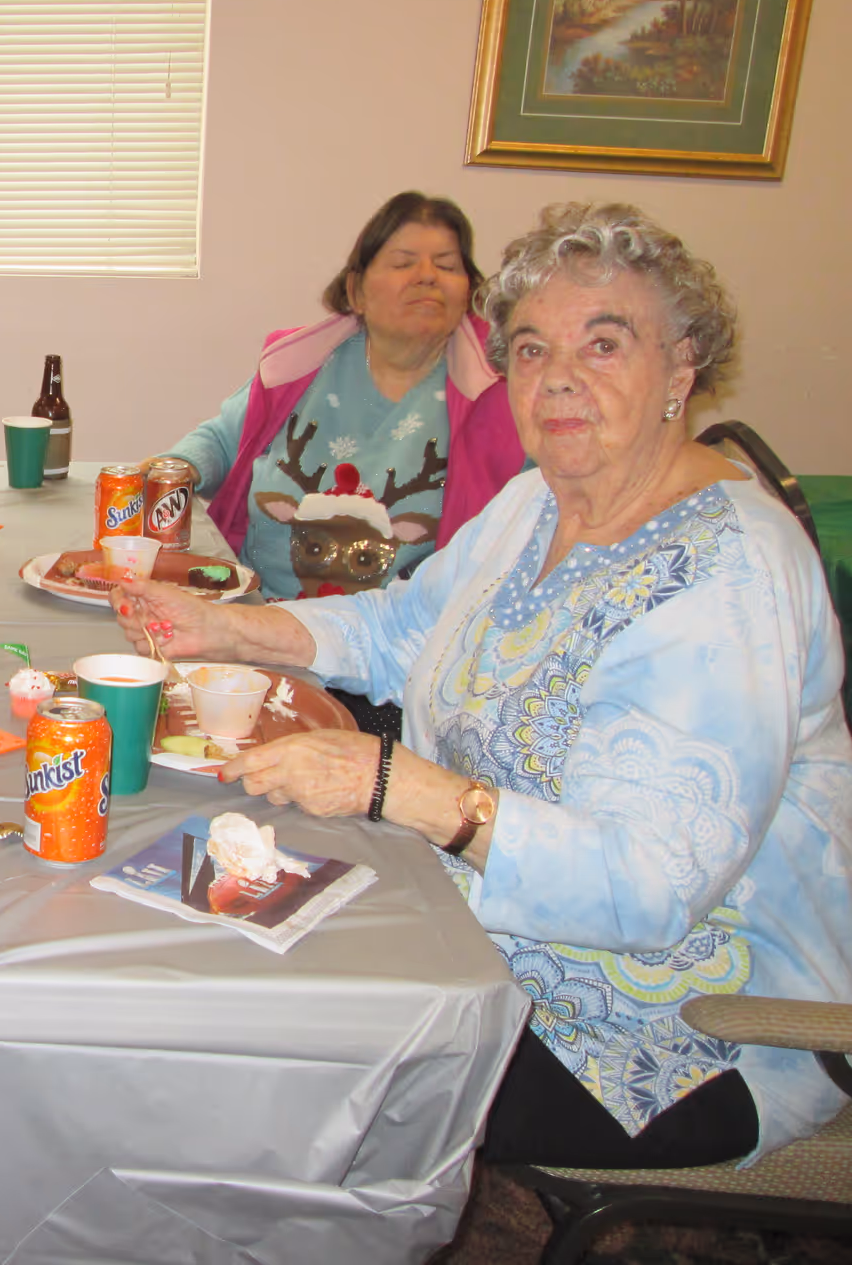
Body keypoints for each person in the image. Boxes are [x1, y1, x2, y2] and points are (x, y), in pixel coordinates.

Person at [117, 203, 852, 1169]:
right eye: (533, 349)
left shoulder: (727, 574)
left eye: (605, 343)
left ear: (682, 369)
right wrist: (228, 626)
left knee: (275, 1066)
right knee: (198, 920)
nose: (560, 381)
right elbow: (400, 625)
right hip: (471, 912)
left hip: (672, 1021)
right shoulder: (537, 498)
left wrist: (394, 785)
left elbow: (651, 887)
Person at [152, 191, 524, 605]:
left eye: (447, 265)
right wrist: (170, 471)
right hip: (258, 610)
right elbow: (222, 440)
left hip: (395, 643)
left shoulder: (501, 393)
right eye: (403, 263)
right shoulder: (300, 365)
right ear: (357, 290)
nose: (427, 276)